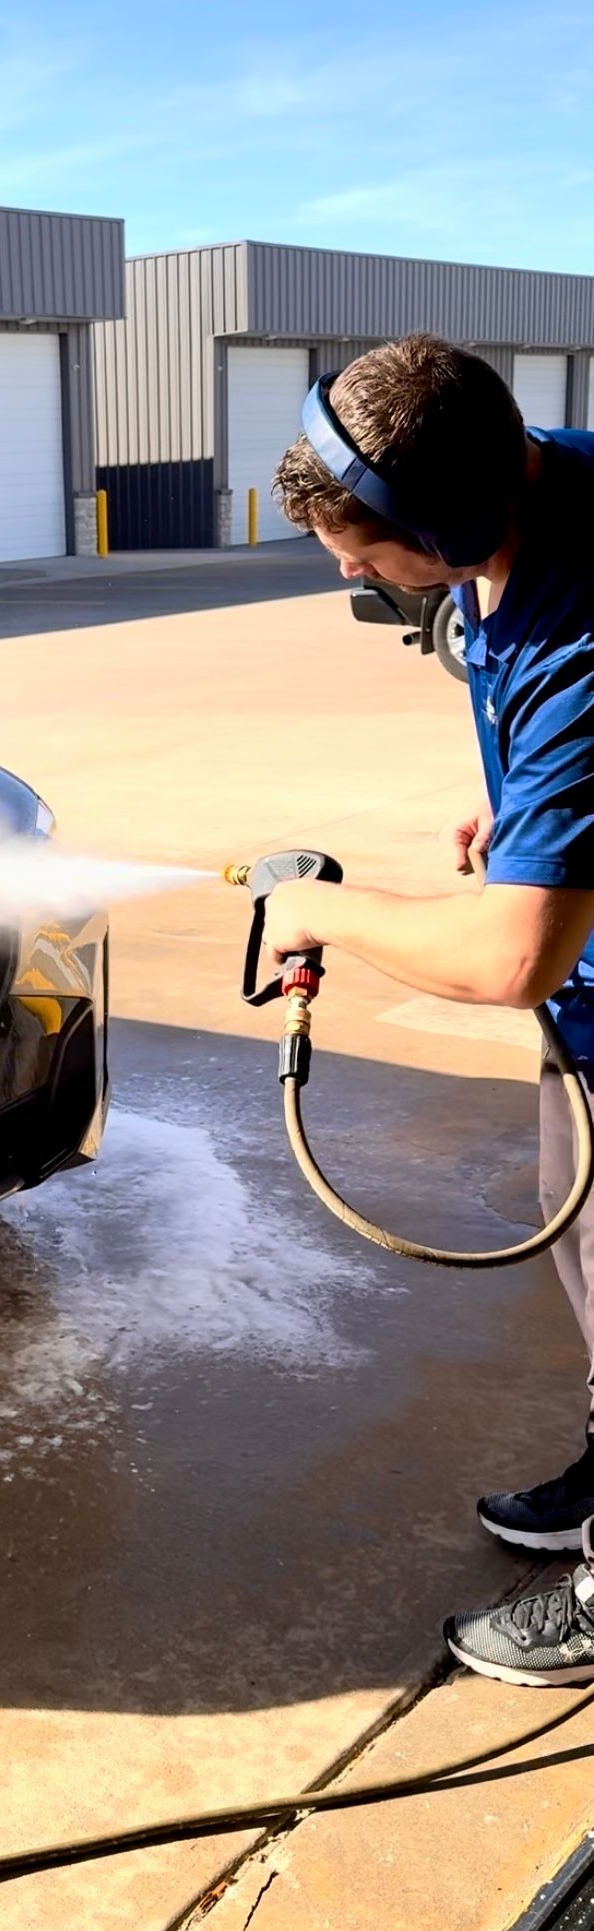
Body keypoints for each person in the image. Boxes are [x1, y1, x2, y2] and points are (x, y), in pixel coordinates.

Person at [270, 333, 594, 1686]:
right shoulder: (551, 486)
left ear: (453, 523)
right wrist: (533, 811)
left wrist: (320, 914)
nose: (347, 570)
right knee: (581, 1234)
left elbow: (507, 959)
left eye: (362, 549)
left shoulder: (585, 634)